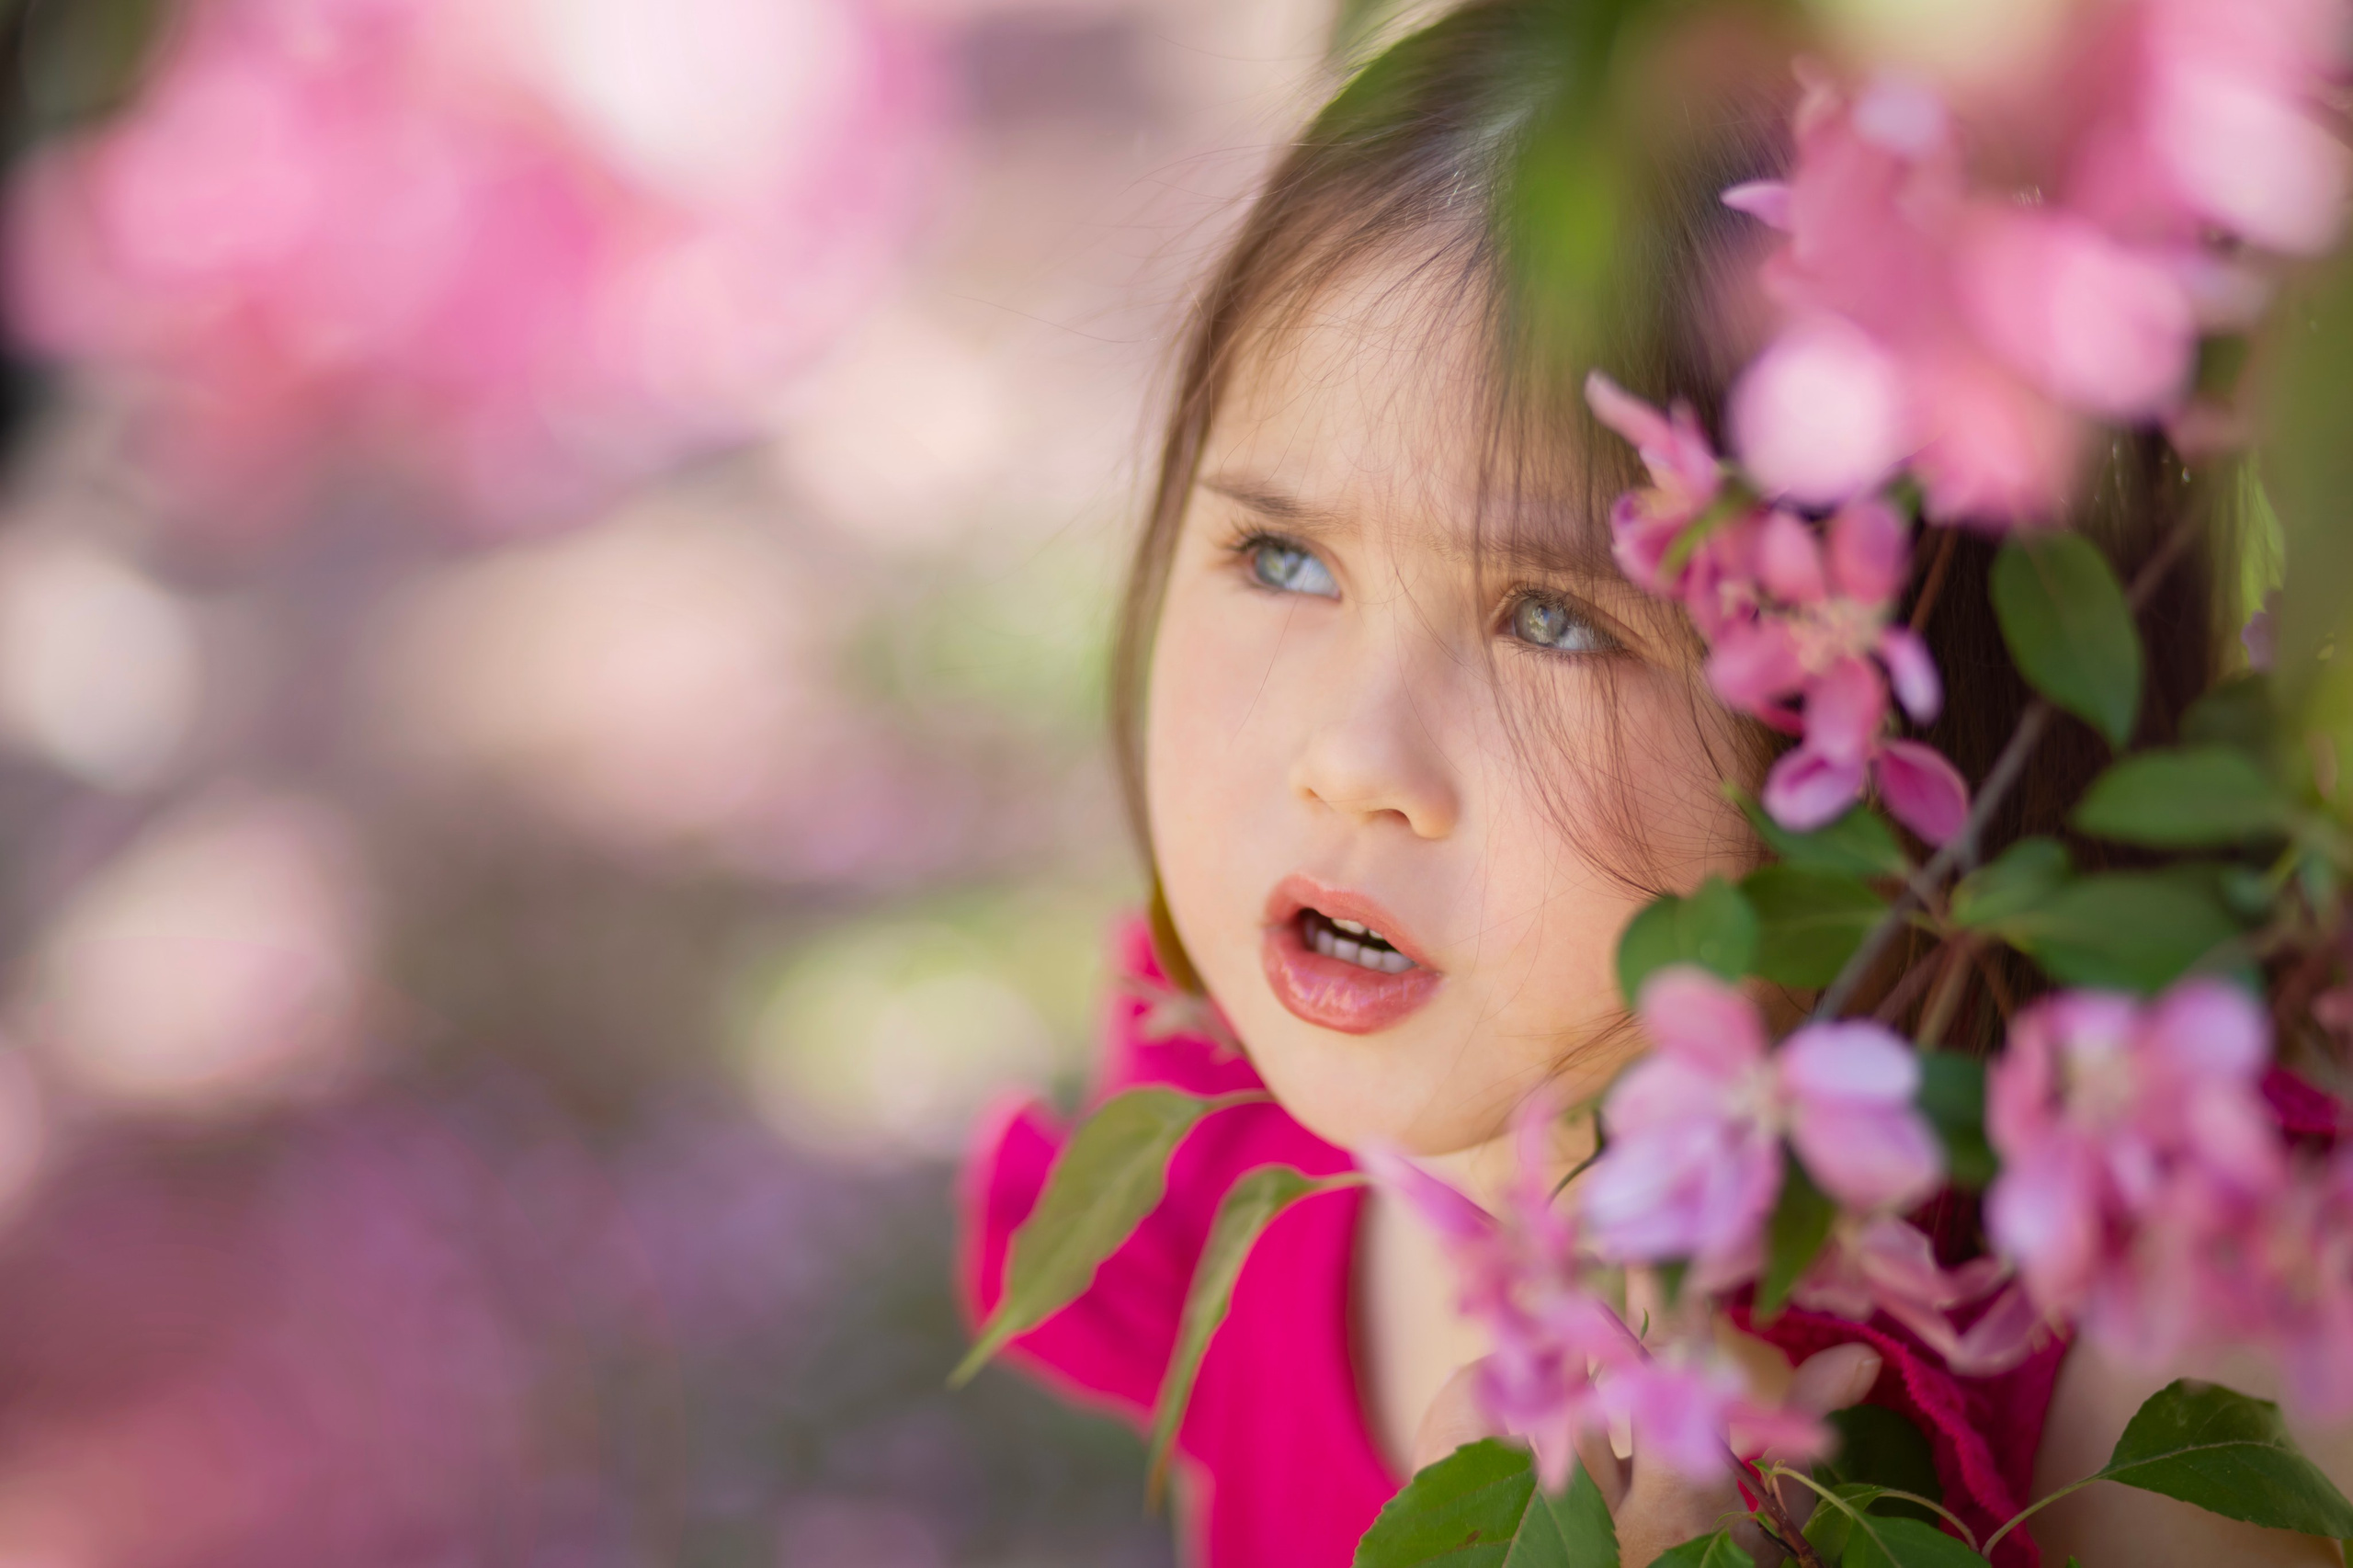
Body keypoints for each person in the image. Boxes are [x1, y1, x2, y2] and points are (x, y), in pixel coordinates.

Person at [960, 3, 2341, 1562]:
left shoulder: (2158, 1392)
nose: (1350, 760)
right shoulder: (1233, 1137)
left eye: (1554, 619)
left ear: (1882, 720)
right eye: (1281, 555)